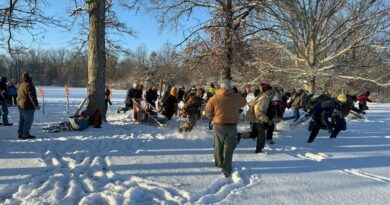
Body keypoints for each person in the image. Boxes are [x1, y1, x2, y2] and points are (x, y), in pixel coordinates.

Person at [205, 79, 246, 177]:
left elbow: (207, 112)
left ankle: (219, 163)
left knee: (218, 145)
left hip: (219, 125)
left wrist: (213, 116)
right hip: (232, 125)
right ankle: (227, 167)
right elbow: (244, 103)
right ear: (230, 86)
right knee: (229, 147)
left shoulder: (214, 98)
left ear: (221, 86)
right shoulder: (236, 96)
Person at [244, 83, 273, 153]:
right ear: (268, 91)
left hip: (255, 117)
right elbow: (259, 112)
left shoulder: (261, 96)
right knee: (261, 135)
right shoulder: (264, 98)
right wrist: (267, 119)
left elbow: (251, 103)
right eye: (271, 91)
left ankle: (239, 135)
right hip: (258, 118)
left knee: (254, 133)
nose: (272, 93)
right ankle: (259, 150)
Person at [17, 72, 39, 139]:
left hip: (21, 106)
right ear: (29, 77)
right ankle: (25, 134)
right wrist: (36, 105)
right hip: (27, 106)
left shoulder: (21, 85)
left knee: (22, 121)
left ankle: (20, 133)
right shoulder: (29, 85)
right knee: (28, 121)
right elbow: (32, 97)